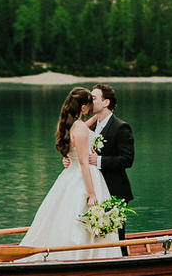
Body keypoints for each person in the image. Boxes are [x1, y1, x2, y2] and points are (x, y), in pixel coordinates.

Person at [20, 87, 122, 260]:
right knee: (81, 219)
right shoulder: (80, 128)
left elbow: (84, 129)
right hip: (84, 176)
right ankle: (82, 257)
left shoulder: (67, 125)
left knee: (63, 217)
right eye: (89, 106)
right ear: (83, 108)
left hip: (69, 176)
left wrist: (102, 113)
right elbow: (83, 162)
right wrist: (91, 194)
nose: (90, 109)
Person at [85, 83, 134, 254]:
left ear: (106, 102)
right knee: (95, 234)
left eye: (94, 98)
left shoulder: (121, 127)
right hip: (94, 189)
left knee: (117, 237)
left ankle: (124, 266)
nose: (90, 101)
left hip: (115, 190)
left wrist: (99, 161)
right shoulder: (90, 126)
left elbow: (127, 160)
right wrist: (69, 160)